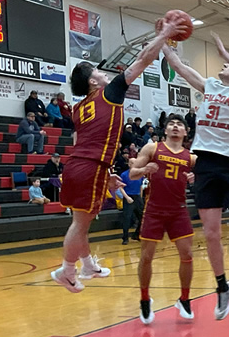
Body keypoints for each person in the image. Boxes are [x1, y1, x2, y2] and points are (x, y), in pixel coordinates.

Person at [50, 15, 188, 293]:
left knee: (81, 221)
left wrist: (106, 173)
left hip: (80, 165)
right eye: (98, 72)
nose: (104, 73)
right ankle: (66, 270)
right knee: (80, 224)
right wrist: (164, 35)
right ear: (93, 81)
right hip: (89, 166)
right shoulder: (109, 93)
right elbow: (143, 59)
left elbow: (85, 139)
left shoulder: (78, 108)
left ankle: (87, 265)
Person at [160, 32, 229, 320]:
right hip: (205, 165)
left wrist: (225, 53)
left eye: (227, 66)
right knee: (211, 233)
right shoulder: (210, 85)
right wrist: (163, 39)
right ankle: (222, 286)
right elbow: (179, 66)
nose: (222, 67)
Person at [129, 113, 197, 324]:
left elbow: (206, 178)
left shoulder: (191, 157)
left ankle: (184, 299)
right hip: (154, 209)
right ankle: (145, 298)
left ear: (185, 132)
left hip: (178, 210)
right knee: (147, 256)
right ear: (165, 130)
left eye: (179, 124)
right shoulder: (152, 148)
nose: (175, 126)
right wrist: (144, 169)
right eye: (171, 124)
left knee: (187, 255)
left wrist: (195, 178)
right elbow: (132, 173)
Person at [119, 158, 144, 244]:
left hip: (137, 197)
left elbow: (141, 186)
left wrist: (140, 197)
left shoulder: (140, 174)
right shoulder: (124, 175)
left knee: (142, 217)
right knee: (127, 218)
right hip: (128, 196)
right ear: (129, 164)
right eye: (132, 163)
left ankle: (136, 234)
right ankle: (125, 238)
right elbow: (120, 187)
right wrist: (127, 197)